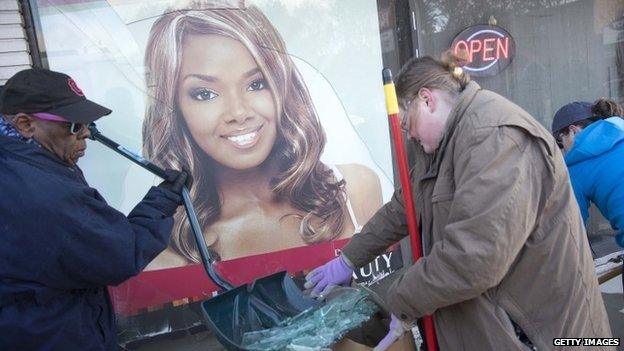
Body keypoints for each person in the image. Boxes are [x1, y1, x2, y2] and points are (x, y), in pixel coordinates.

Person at [305, 53, 613, 350]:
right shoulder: (441, 146)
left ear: (427, 100)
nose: (409, 135)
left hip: (541, 334)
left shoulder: (495, 138)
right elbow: (401, 209)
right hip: (490, 327)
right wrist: (348, 259)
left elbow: (472, 259)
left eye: (406, 122)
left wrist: (396, 301)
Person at [141, 2, 382, 267]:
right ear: (174, 108)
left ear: (282, 87)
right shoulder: (171, 253)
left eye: (257, 84)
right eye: (205, 94)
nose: (239, 112)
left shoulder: (356, 189)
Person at [0, 68, 190, 350]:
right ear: (26, 124)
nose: (86, 133)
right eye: (74, 125)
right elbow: (121, 253)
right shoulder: (44, 192)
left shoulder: (21, 163)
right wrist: (162, 201)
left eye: (87, 123)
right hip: (49, 334)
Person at [551, 98, 624, 247]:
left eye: (560, 142)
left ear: (573, 130)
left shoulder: (576, 168)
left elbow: (572, 231)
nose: (563, 150)